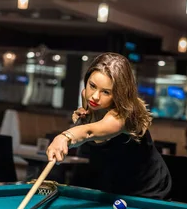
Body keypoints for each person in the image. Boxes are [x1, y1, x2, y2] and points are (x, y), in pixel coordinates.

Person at [46, 52, 172, 200]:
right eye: (92, 85)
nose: (94, 96)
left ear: (119, 94)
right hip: (112, 183)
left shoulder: (123, 115)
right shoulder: (87, 97)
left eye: (106, 92)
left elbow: (90, 132)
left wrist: (64, 137)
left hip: (146, 190)